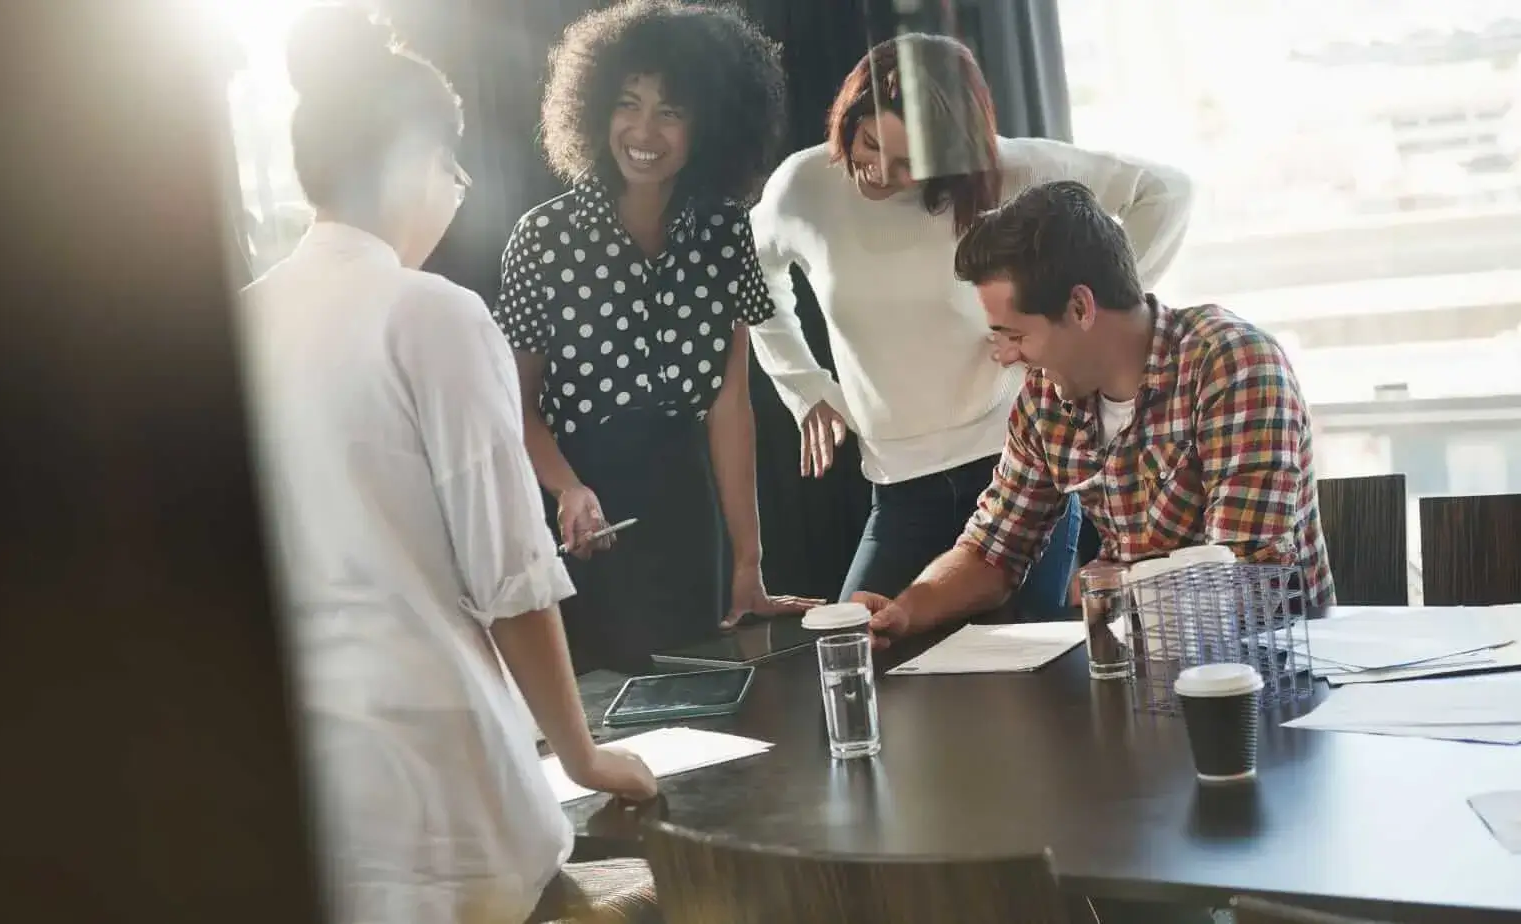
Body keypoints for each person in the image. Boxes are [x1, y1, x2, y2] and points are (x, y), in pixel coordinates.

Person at [238, 7, 660, 923]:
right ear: (412, 160)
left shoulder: (240, 319)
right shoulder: (432, 312)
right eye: (452, 168)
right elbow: (511, 573)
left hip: (295, 779)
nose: (458, 190)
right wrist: (584, 757)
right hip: (438, 776)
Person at [749, 33, 1194, 612]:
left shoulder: (1011, 171)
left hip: (1019, 471)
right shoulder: (803, 187)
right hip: (898, 488)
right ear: (849, 119)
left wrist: (1072, 323)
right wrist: (805, 387)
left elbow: (1165, 194)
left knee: (1027, 671)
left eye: (908, 163)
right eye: (869, 144)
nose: (880, 173)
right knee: (859, 652)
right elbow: (752, 277)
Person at [862, 179, 1335, 648]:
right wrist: (906, 610)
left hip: (1272, 673)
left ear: (1080, 307)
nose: (1006, 355)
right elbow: (992, 552)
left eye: (1017, 335)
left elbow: (1248, 582)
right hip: (1138, 672)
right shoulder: (1044, 399)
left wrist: (1122, 587)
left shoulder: (1232, 363)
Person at [493, 0, 818, 675]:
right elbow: (514, 406)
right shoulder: (542, 240)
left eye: (670, 110)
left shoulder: (726, 232)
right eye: (626, 103)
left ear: (710, 122)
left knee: (707, 707)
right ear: (593, 108)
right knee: (605, 718)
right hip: (579, 511)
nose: (643, 130)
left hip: (683, 508)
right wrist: (568, 492)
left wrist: (748, 564)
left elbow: (730, 408)